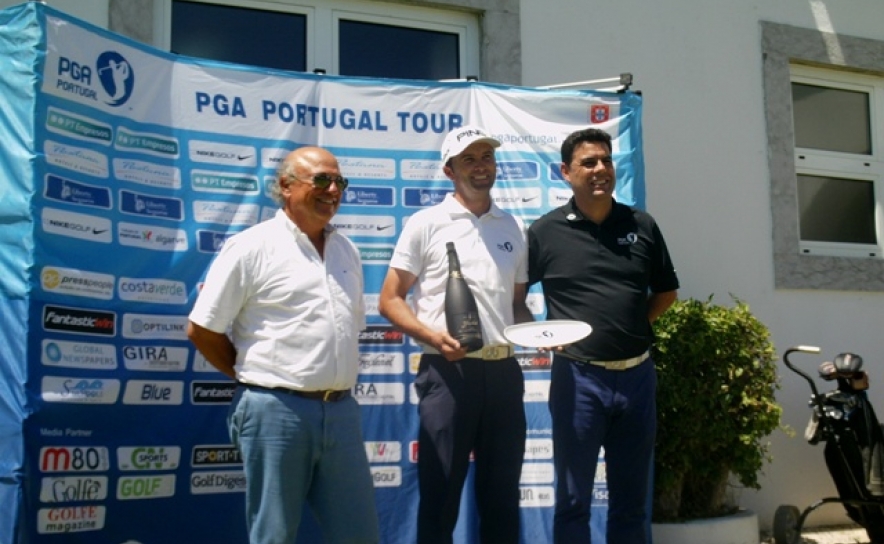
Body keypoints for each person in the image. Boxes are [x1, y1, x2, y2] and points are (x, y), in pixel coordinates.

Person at [187, 146, 379, 544]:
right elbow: (202, 329)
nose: (332, 190)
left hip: (341, 411)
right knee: (274, 535)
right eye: (321, 180)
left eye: (339, 181)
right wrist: (259, 379)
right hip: (275, 413)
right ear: (285, 186)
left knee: (360, 536)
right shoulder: (251, 246)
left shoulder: (347, 250)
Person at [378, 125, 534, 544]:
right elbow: (390, 299)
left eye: (486, 157)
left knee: (502, 497)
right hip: (447, 373)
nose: (481, 166)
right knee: (441, 493)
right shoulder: (425, 223)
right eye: (469, 159)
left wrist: (541, 332)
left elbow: (517, 304)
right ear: (449, 170)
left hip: (503, 372)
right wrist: (431, 336)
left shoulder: (513, 228)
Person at [527, 127, 679, 544]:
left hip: (637, 379)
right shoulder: (544, 231)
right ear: (565, 172)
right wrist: (537, 331)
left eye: (606, 160)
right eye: (588, 162)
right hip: (579, 381)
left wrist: (632, 327)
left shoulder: (642, 225)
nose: (600, 169)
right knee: (573, 500)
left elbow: (665, 294)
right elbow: (517, 294)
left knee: (631, 501)